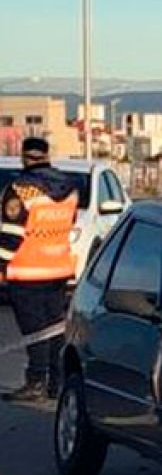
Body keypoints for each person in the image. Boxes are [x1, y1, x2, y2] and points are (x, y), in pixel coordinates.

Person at [0, 138, 79, 403]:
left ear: (23, 157)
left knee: (34, 330)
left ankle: (36, 382)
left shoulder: (21, 190)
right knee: (54, 328)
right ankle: (57, 382)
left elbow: (11, 235)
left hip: (27, 271)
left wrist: (1, 266)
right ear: (47, 155)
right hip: (58, 269)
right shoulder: (69, 187)